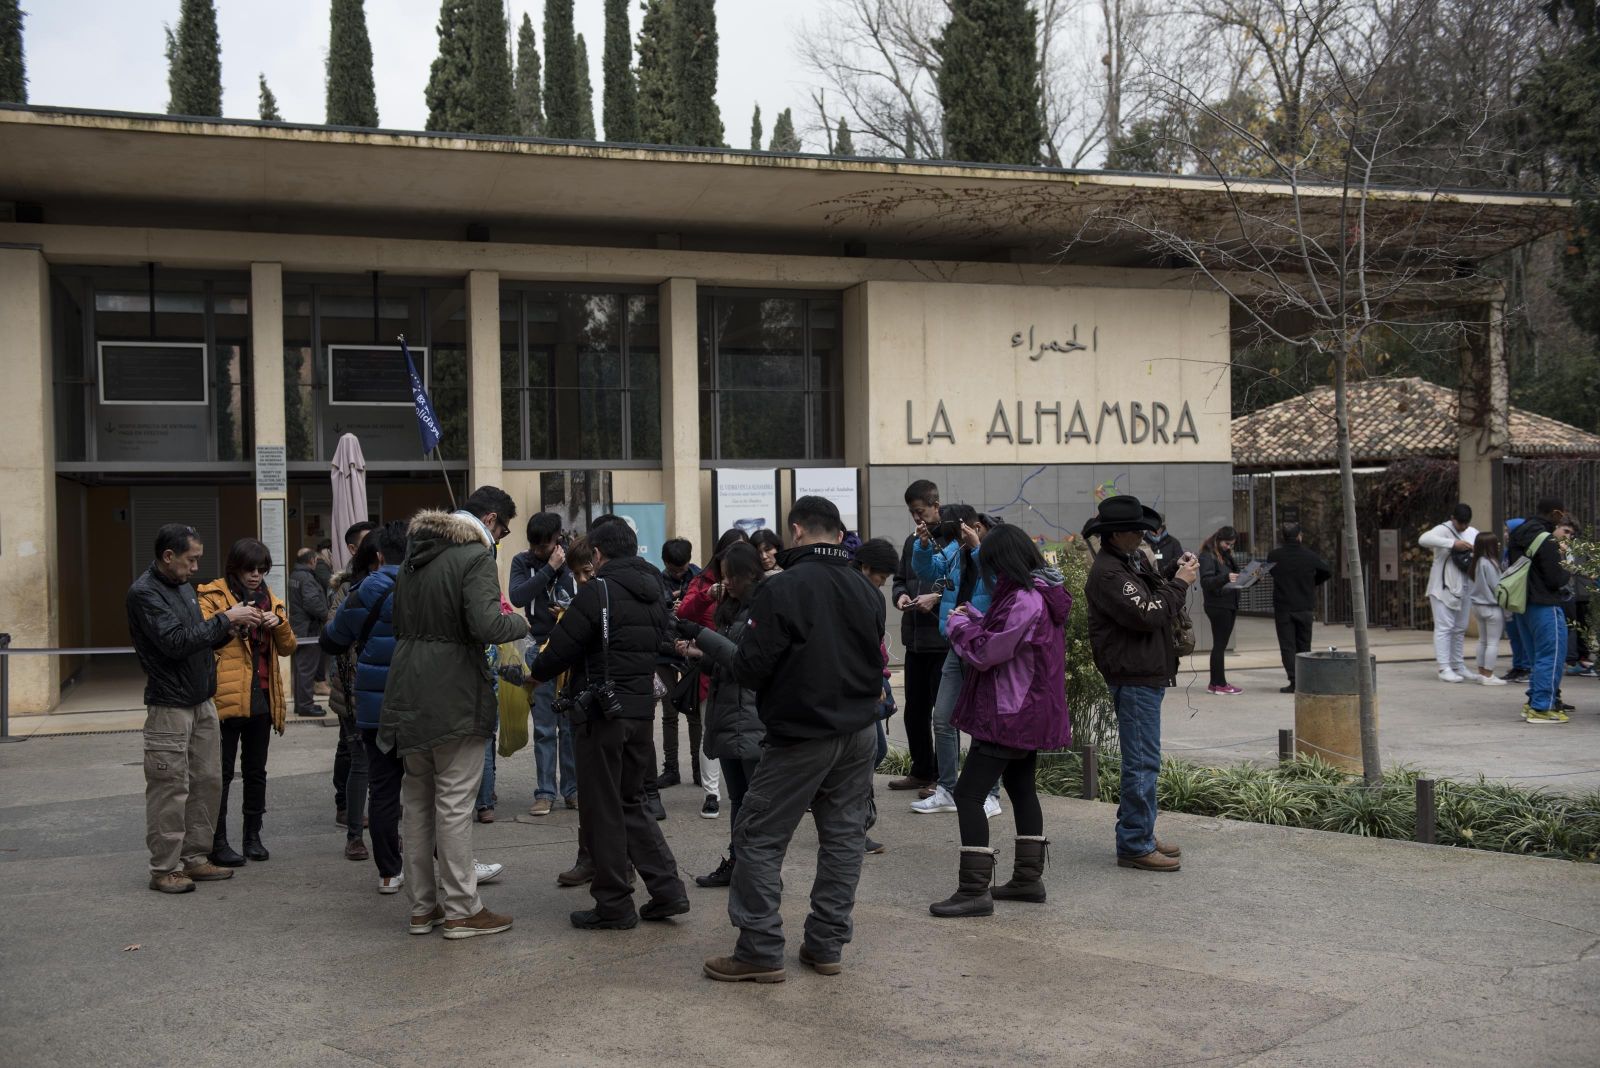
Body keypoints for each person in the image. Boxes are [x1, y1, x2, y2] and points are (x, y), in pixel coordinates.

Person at [699, 496, 885, 984]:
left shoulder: (782, 590)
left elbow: (751, 667)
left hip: (801, 733)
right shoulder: (866, 590)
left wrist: (711, 645)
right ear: (837, 532)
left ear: (797, 531)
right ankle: (826, 946)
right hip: (860, 731)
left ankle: (759, 950)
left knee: (758, 836)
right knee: (844, 839)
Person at [379, 487, 529, 939]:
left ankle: (423, 908)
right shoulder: (474, 556)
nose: (500, 538)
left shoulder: (413, 557)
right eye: (502, 529)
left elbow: (400, 621)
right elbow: (487, 624)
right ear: (489, 518)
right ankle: (463, 908)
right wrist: (520, 621)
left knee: (417, 802)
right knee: (454, 804)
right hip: (455, 690)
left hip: (408, 686)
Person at [530, 518, 690, 931]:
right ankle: (668, 890)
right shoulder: (656, 591)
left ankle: (614, 904)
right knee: (632, 802)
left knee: (602, 808)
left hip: (602, 714)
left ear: (598, 554)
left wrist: (533, 674)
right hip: (640, 712)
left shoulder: (596, 590)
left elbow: (559, 652)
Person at [928, 524, 1072, 917]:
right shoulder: (1041, 591)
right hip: (1028, 712)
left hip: (1010, 712)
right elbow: (1004, 632)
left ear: (1002, 561)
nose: (989, 573)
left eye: (990, 564)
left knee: (968, 793)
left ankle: (973, 890)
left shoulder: (1025, 598)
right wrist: (975, 614)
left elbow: (989, 650)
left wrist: (958, 625)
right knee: (1021, 787)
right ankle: (1028, 880)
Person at [127, 523, 263, 893]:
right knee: (170, 787)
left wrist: (230, 628)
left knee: (207, 781)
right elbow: (175, 643)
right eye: (191, 559)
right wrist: (225, 618)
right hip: (169, 704)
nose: (195, 567)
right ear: (168, 556)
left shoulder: (184, 588)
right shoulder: (144, 593)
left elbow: (199, 640)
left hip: (202, 700)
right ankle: (164, 868)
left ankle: (196, 857)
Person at [1083, 495, 1196, 874]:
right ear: (1117, 534)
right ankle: (1134, 842)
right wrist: (1179, 585)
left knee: (1146, 762)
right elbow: (1148, 614)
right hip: (1133, 677)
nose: (1144, 536)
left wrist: (1170, 577)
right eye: (1138, 530)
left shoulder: (1130, 561)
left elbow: (1149, 596)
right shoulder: (1109, 573)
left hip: (1143, 672)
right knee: (1142, 764)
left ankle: (1141, 832)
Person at [196, 538, 297, 868]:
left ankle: (253, 837)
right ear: (235, 568)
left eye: (262, 569)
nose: (256, 575)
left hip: (262, 698)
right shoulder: (211, 595)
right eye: (250, 569)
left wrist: (277, 623)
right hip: (224, 700)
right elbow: (203, 636)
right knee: (220, 775)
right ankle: (217, 841)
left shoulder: (272, 600)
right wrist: (232, 618)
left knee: (256, 773)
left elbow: (289, 647)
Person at [678, 541, 767, 889]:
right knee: (739, 799)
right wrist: (696, 652)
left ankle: (758, 869)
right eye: (723, 575)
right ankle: (738, 861)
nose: (725, 582)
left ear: (750, 573)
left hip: (751, 717)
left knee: (754, 803)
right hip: (728, 715)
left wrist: (700, 636)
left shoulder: (763, 610)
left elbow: (743, 661)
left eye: (731, 576)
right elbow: (723, 656)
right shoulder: (731, 609)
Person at [910, 504, 1002, 819]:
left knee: (983, 721)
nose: (951, 532)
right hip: (956, 644)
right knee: (943, 718)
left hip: (984, 647)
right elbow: (927, 571)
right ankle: (947, 789)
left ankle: (991, 794)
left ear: (973, 524)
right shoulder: (954, 551)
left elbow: (1000, 586)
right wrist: (921, 545)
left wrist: (977, 549)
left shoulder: (992, 551)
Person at [672, 528, 751, 815]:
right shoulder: (704, 580)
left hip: (747, 671)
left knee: (748, 732)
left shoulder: (756, 586)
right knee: (712, 730)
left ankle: (744, 792)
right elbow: (683, 613)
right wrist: (707, 595)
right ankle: (712, 793)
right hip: (711, 667)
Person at [508, 512, 579, 818]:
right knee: (545, 728)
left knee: (570, 727)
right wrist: (548, 568)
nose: (538, 550)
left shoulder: (573, 559)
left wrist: (563, 574)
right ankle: (545, 792)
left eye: (545, 545)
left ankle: (573, 790)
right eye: (534, 545)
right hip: (538, 650)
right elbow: (518, 596)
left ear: (557, 539)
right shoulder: (522, 562)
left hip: (570, 649)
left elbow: (583, 595)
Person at [889, 479, 945, 793]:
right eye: (912, 513)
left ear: (936, 505)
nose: (917, 519)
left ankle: (942, 777)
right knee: (915, 711)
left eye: (920, 511)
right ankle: (922, 771)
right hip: (915, 642)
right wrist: (900, 596)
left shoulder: (953, 538)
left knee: (942, 714)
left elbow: (959, 583)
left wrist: (934, 598)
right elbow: (900, 579)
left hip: (943, 640)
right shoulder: (912, 541)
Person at [852, 537, 901, 856]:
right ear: (865, 567)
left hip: (867, 685)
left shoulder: (861, 591)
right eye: (880, 577)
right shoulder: (859, 594)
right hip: (860, 691)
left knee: (873, 755)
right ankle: (854, 828)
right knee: (865, 758)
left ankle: (853, 824)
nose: (881, 584)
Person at [328, 520, 376, 840]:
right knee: (356, 757)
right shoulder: (346, 588)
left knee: (379, 763)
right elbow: (334, 633)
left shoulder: (392, 584)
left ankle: (378, 819)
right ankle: (353, 828)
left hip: (382, 685)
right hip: (353, 686)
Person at [1510, 499, 1573, 723]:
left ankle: (1534, 702)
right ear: (1556, 513)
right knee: (1552, 655)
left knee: (1537, 657)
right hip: (1544, 603)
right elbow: (1556, 578)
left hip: (1522, 604)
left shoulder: (1520, 533)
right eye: (1562, 514)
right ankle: (1542, 707)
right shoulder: (1546, 540)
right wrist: (1564, 556)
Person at [1266, 523, 1332, 694]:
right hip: (1304, 606)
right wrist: (1311, 583)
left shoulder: (1274, 556)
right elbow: (1327, 571)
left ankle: (1293, 680)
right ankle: (1305, 680)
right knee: (1304, 644)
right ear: (1299, 536)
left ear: (1283, 537)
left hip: (1283, 607)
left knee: (1287, 645)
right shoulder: (1310, 556)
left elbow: (1271, 572)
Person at [1420, 503, 1481, 684]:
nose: (1463, 527)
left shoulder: (1473, 532)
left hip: (1464, 587)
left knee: (1460, 628)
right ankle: (1444, 667)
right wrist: (1453, 543)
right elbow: (1423, 539)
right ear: (1452, 518)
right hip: (1442, 588)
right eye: (1460, 523)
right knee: (1444, 628)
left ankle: (1457, 665)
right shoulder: (1442, 530)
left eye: (1466, 523)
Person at [1198, 525, 1243, 695]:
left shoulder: (1225, 555)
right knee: (1219, 645)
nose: (1229, 547)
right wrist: (1226, 577)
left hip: (1228, 602)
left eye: (1231, 544)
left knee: (1220, 645)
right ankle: (1219, 684)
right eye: (1227, 543)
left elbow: (1234, 575)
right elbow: (1206, 582)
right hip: (1218, 604)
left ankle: (1215, 683)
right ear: (1218, 539)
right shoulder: (1207, 556)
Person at [288, 548, 329, 718]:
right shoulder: (307, 578)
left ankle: (301, 704)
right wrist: (327, 615)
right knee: (307, 669)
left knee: (301, 668)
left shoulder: (295, 575)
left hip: (299, 628)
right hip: (309, 630)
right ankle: (306, 705)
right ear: (312, 560)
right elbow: (312, 603)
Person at [1469, 532, 1508, 686]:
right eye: (1495, 542)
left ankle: (1481, 673)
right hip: (1491, 607)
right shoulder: (1490, 563)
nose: (1498, 544)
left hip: (1477, 606)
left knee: (1483, 641)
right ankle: (1489, 675)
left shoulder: (1477, 562)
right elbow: (1497, 586)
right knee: (1492, 643)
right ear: (1489, 546)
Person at [1501, 518, 1532, 683]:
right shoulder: (1507, 551)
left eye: (1508, 531)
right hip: (1509, 599)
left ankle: (1526, 667)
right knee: (1513, 634)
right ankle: (1517, 665)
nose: (1505, 534)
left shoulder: (1523, 550)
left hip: (1518, 598)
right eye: (1505, 531)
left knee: (1523, 634)